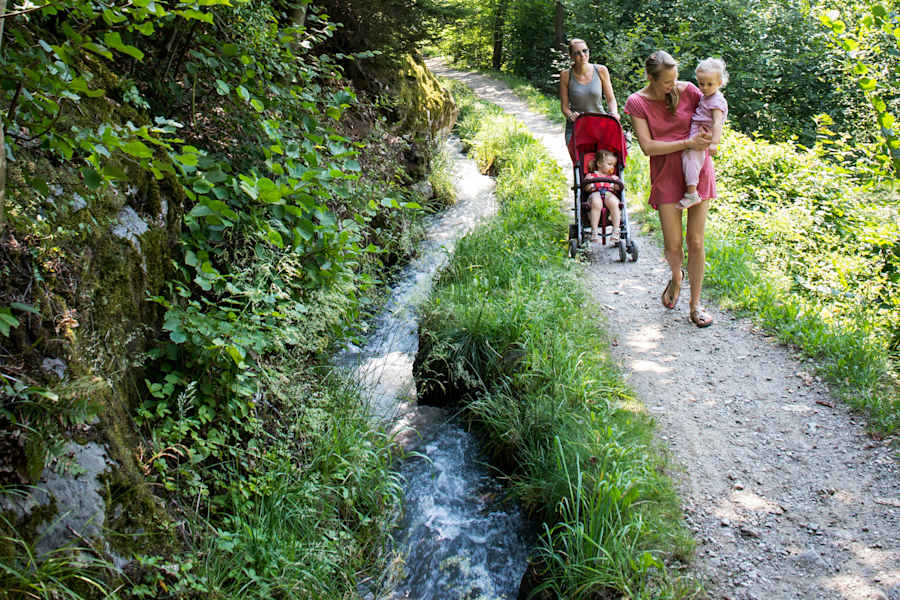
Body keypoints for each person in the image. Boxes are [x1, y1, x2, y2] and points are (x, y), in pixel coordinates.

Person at [624, 50, 715, 327]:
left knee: (696, 241)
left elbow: (715, 107)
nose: (673, 85)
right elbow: (648, 147)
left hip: (697, 172)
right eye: (666, 82)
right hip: (666, 174)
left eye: (675, 79)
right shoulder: (637, 102)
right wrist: (686, 143)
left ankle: (695, 305)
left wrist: (711, 135)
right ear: (650, 78)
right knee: (673, 245)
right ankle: (677, 277)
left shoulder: (689, 91)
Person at [680, 58, 729, 209]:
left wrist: (714, 142)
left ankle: (692, 193)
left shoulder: (716, 101)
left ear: (719, 83)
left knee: (691, 159)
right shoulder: (707, 96)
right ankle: (691, 190)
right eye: (701, 84)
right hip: (697, 131)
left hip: (702, 135)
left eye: (709, 84)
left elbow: (717, 122)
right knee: (688, 158)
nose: (705, 87)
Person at [559, 38, 618, 145]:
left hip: (599, 123)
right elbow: (564, 107)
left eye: (585, 51)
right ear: (571, 56)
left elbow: (611, 99)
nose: (582, 55)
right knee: (581, 156)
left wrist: (614, 113)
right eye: (577, 53)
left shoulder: (601, 70)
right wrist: (571, 116)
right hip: (577, 126)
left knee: (605, 155)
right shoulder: (566, 75)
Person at [582, 149, 623, 243]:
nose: (612, 167)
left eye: (613, 165)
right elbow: (587, 188)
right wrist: (587, 182)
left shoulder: (612, 177)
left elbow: (618, 188)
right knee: (596, 202)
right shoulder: (591, 175)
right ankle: (594, 232)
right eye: (609, 164)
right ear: (599, 164)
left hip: (609, 193)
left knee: (614, 202)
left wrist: (617, 182)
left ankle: (616, 231)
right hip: (595, 193)